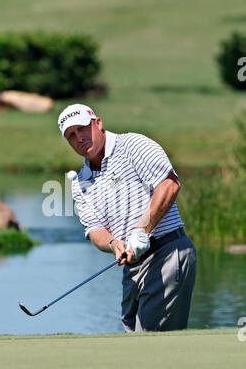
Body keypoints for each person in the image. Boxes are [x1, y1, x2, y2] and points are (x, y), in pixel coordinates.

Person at [58, 103, 197, 332]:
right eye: (71, 136)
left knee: (151, 340)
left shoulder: (133, 145)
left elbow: (170, 184)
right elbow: (96, 230)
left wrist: (143, 229)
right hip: (132, 267)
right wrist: (114, 244)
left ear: (98, 123)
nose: (79, 138)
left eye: (83, 128)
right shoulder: (80, 182)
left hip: (168, 252)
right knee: (133, 339)